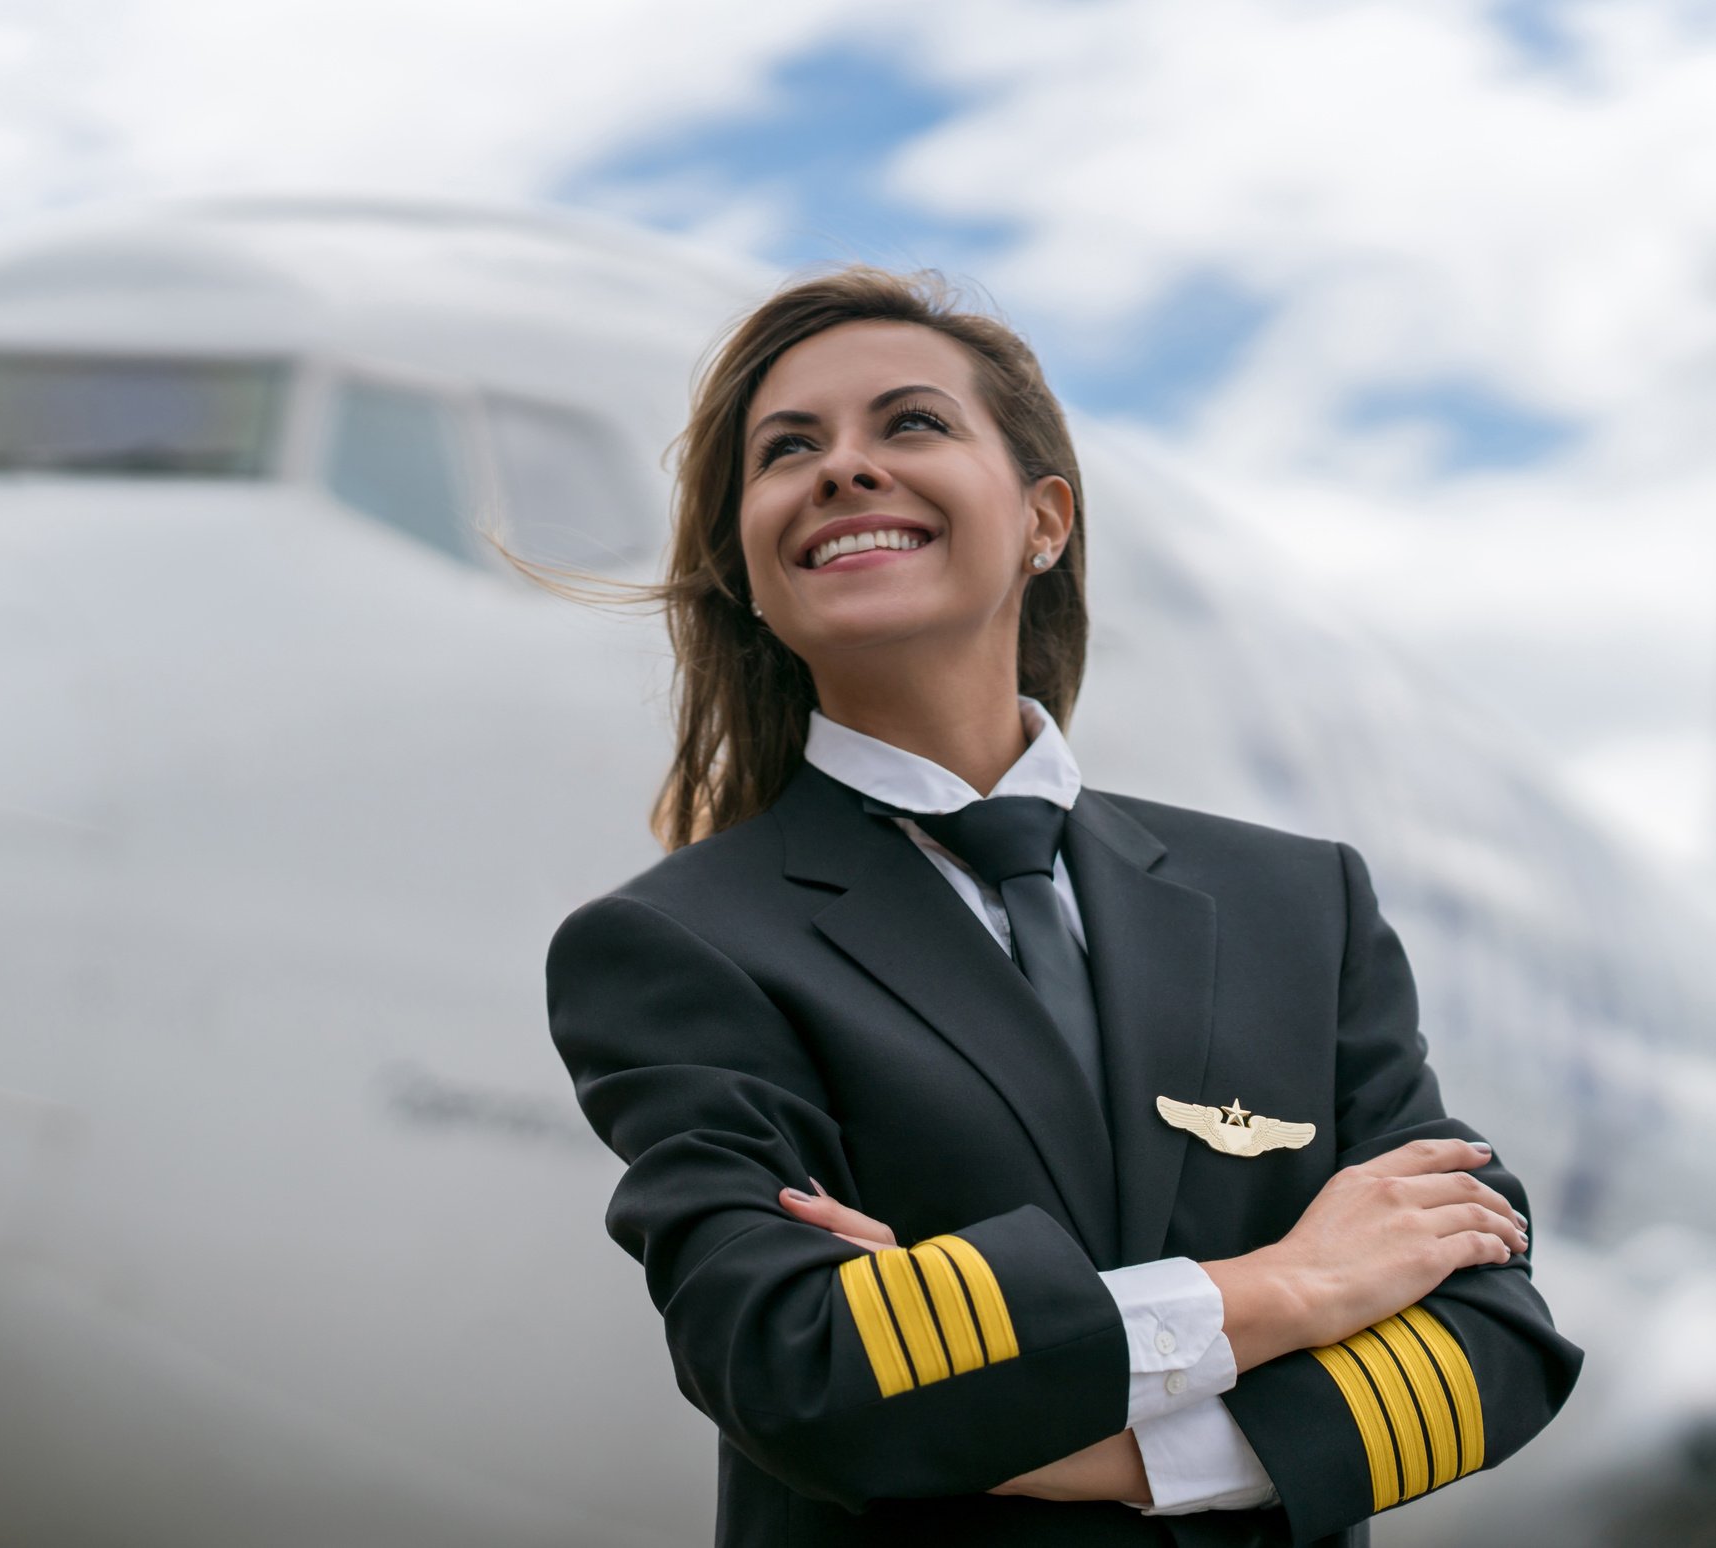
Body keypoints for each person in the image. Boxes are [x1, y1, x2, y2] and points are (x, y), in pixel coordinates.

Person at [540, 267, 1581, 1547]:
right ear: (754, 570)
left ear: (1046, 519)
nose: (844, 468)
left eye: (910, 423)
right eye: (788, 450)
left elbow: (1495, 1330)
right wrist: (1289, 1284)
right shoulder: (678, 946)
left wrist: (1111, 1451)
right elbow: (799, 1366)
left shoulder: (1298, 904)